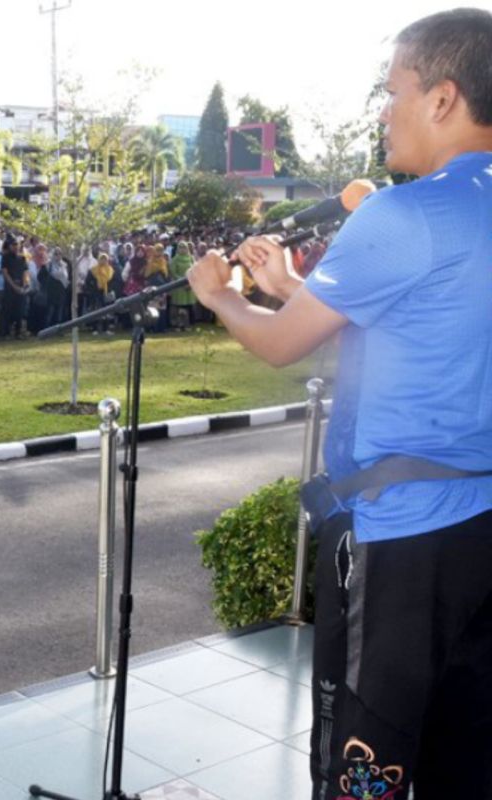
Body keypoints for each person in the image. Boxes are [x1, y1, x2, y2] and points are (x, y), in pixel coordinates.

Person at [187, 10, 492, 795]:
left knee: (368, 762)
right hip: (482, 521)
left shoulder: (405, 212)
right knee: (468, 748)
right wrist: (295, 288)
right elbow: (434, 330)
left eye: (393, 92)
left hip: (405, 537)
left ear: (443, 99)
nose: (382, 111)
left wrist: (222, 298)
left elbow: (282, 343)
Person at [0, 238, 29, 339]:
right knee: (7, 311)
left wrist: (24, 285)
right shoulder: (5, 257)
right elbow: (5, 273)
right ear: (10, 246)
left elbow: (25, 272)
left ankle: (18, 332)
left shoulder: (22, 258)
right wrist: (14, 286)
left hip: (20, 288)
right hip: (9, 288)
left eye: (17, 244)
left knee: (19, 311)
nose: (16, 246)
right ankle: (5, 333)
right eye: (13, 245)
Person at [167, 242, 195, 331]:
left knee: (187, 306)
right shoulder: (175, 259)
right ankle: (178, 325)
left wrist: (189, 281)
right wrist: (182, 280)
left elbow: (194, 270)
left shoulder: (191, 258)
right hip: (179, 286)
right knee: (179, 306)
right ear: (178, 249)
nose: (182, 249)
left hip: (188, 284)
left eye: (184, 248)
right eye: (180, 248)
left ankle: (186, 325)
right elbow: (173, 272)